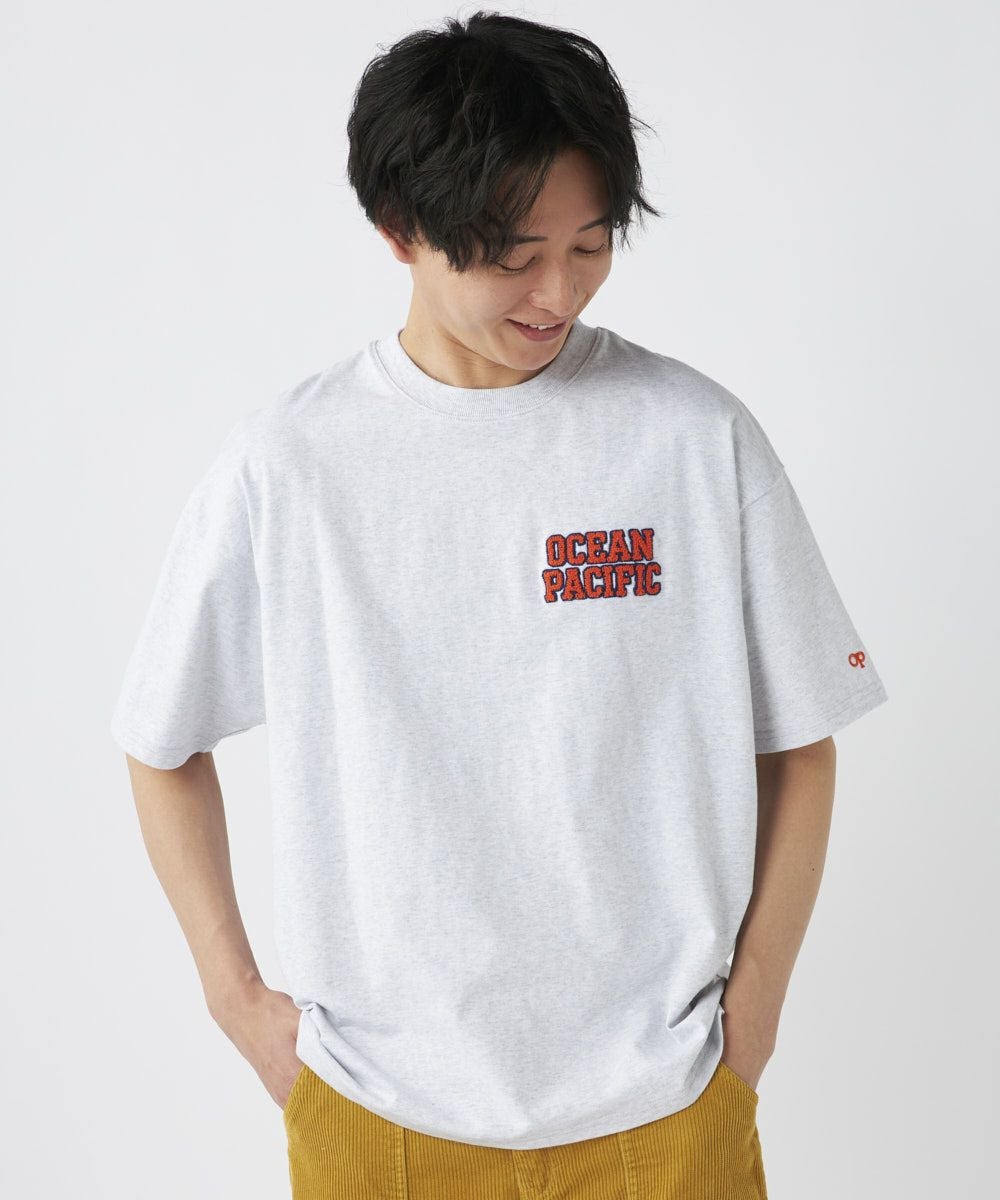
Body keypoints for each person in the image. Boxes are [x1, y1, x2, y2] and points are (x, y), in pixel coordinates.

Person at [111, 11, 888, 1198]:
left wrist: (755, 1018)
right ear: (399, 230)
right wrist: (240, 1005)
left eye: (590, 243)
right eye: (514, 254)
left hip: (666, 1108)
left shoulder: (692, 438)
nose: (557, 290)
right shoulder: (291, 465)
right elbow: (159, 743)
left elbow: (802, 740)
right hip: (377, 1114)